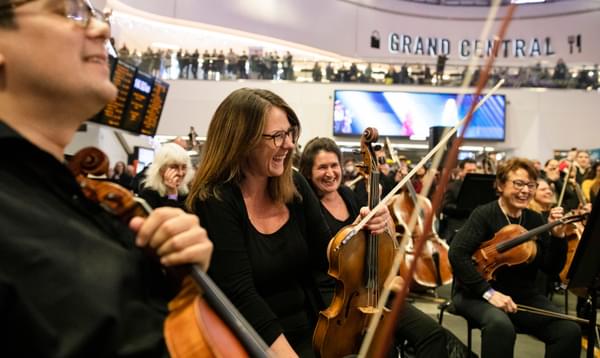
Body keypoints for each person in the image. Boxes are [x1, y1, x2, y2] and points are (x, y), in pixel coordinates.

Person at [0, 1, 212, 356]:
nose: (101, 30)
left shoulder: (81, 201)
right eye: (66, 12)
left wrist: (176, 284)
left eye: (97, 16)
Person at [186, 88, 390, 357]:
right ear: (242, 141)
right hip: (249, 339)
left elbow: (327, 255)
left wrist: (364, 230)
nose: (290, 145)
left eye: (290, 133)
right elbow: (241, 296)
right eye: (277, 136)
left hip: (311, 328)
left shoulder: (295, 184)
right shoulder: (214, 200)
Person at [298, 137, 468, 358]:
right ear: (308, 172)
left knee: (431, 334)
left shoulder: (348, 195)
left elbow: (374, 243)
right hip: (338, 295)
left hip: (371, 287)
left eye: (334, 165)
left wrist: (385, 223)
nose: (330, 173)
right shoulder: (306, 204)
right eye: (322, 167)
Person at [448, 158, 581, 358]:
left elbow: (551, 268)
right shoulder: (484, 214)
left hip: (522, 296)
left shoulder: (535, 219)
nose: (525, 190)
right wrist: (489, 293)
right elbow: (457, 254)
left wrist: (558, 237)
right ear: (500, 185)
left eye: (530, 185)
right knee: (500, 326)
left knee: (568, 330)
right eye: (518, 183)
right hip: (476, 293)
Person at [139, 143, 193, 209]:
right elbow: (171, 217)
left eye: (184, 167)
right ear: (161, 169)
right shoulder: (149, 194)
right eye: (174, 167)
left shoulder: (185, 192)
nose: (180, 173)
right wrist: (172, 196)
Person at [439, 158, 478, 242]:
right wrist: (464, 208)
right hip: (458, 226)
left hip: (476, 226)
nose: (472, 173)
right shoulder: (452, 187)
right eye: (469, 171)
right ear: (461, 171)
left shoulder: (479, 187)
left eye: (474, 170)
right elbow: (445, 207)